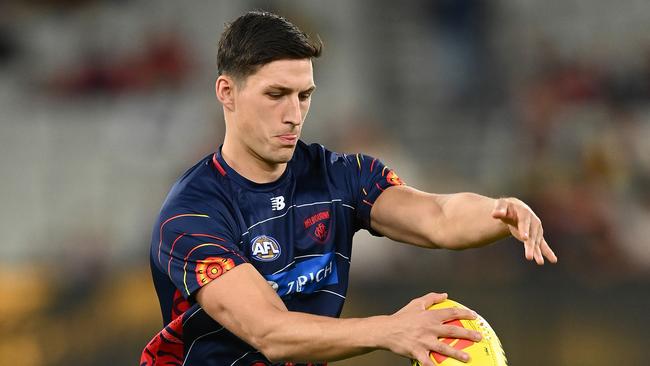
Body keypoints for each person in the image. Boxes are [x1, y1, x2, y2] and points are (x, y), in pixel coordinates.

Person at [140, 10, 557, 366]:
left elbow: (439, 217)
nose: (293, 114)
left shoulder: (340, 176)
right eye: (276, 94)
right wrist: (391, 329)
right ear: (226, 92)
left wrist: (501, 211)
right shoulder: (193, 213)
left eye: (304, 95)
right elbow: (269, 332)